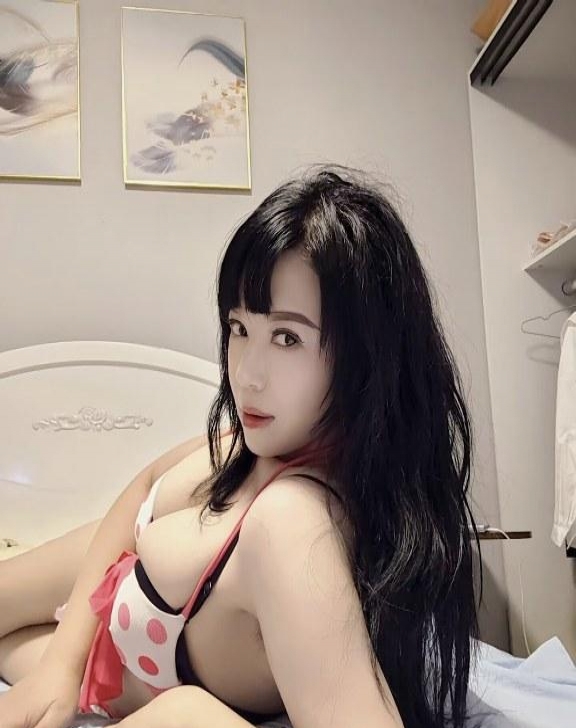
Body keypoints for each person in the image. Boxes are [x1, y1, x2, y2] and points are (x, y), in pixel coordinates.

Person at [0, 165, 479, 728]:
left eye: (287, 337)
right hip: (95, 599)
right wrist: (60, 664)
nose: (246, 375)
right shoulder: (256, 443)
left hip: (118, 670)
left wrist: (188, 715)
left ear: (367, 356)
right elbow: (143, 487)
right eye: (239, 328)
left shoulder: (293, 522)